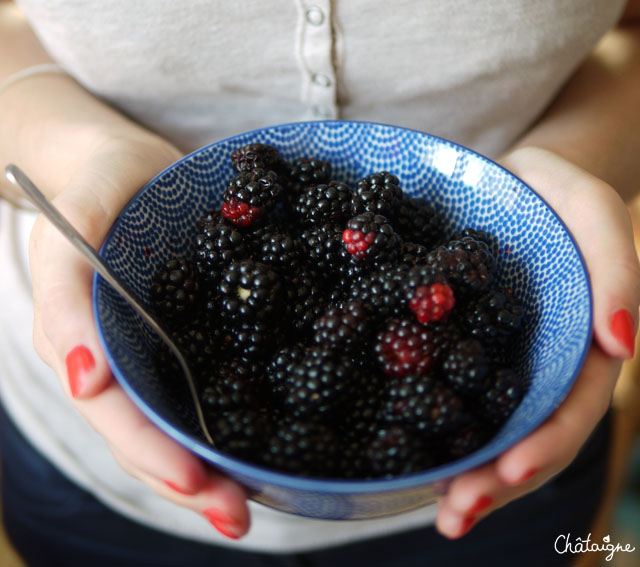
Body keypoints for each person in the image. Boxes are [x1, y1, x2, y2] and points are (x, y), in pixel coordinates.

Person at [0, 1, 639, 565]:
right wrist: (85, 153)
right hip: (93, 480)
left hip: (506, 499)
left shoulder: (410, 295)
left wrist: (576, 160)